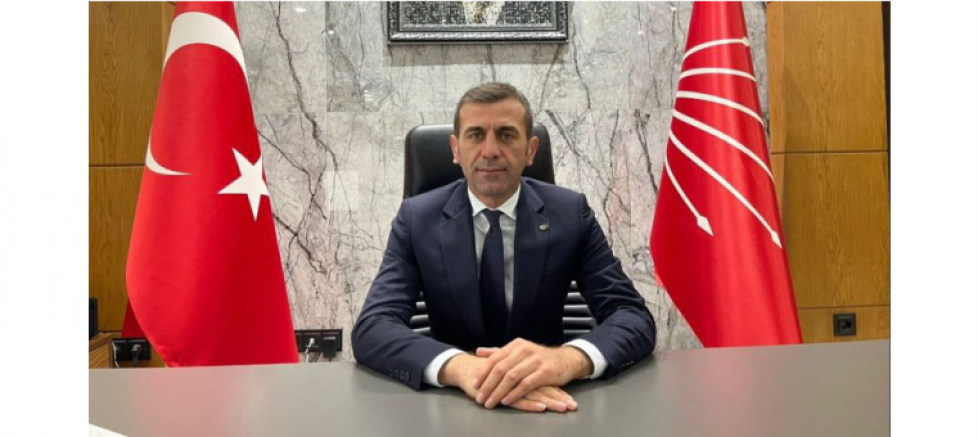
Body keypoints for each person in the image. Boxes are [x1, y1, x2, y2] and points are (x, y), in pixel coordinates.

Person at [352, 82, 656, 413]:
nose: (490, 150)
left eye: (507, 135)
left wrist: (567, 360)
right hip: (451, 405)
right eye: (475, 135)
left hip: (553, 402)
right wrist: (460, 366)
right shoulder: (417, 220)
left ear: (530, 150)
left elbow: (631, 315)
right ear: (456, 149)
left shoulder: (570, 214)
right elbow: (373, 326)